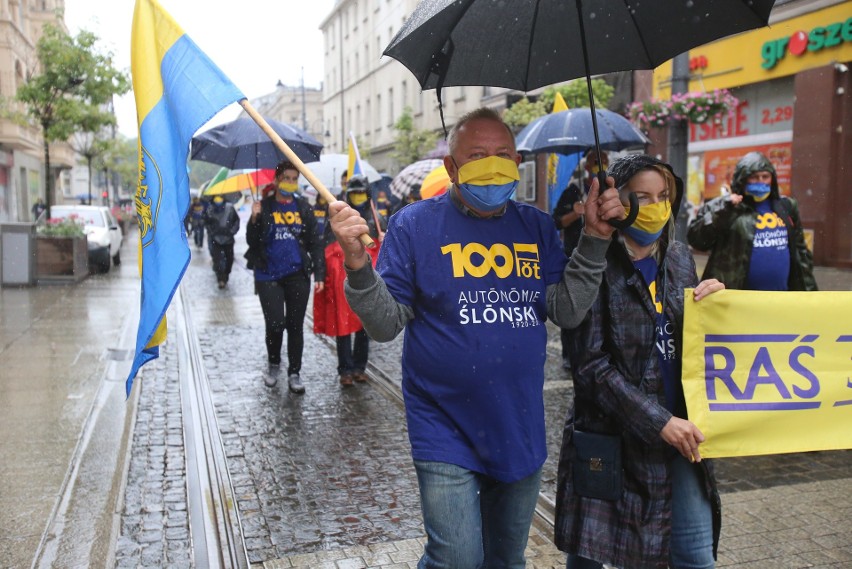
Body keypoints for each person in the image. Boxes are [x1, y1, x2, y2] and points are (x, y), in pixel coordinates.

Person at [329, 107, 626, 569]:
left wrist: (594, 238)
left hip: (518, 422)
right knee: (457, 557)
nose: (493, 163)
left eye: (504, 154)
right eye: (478, 154)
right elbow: (385, 325)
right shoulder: (413, 225)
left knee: (506, 558)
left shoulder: (536, 225)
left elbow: (566, 311)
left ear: (518, 161)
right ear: (451, 166)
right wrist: (357, 266)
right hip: (443, 423)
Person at [554, 154, 725, 569]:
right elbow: (590, 367)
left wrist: (719, 308)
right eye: (642, 196)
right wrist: (657, 422)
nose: (655, 206)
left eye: (663, 195)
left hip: (683, 433)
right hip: (611, 440)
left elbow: (691, 341)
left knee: (695, 556)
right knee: (591, 556)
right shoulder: (592, 261)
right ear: (617, 200)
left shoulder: (680, 257)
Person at [245, 161, 325, 394]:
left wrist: (319, 273)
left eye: (294, 178)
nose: (290, 183)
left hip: (297, 275)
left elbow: (315, 243)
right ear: (277, 180)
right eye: (286, 178)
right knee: (275, 323)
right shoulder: (265, 206)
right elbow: (253, 241)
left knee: (295, 325)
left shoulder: (303, 208)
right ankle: (273, 364)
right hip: (268, 274)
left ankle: (294, 372)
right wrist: (254, 219)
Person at [687, 151, 817, 291]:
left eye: (765, 176)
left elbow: (801, 254)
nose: (761, 181)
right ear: (742, 179)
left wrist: (809, 292)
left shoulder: (786, 206)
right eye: (754, 177)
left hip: (781, 299)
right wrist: (724, 209)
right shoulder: (726, 206)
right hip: (736, 300)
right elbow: (697, 240)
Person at [313, 174, 385, 386]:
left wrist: (384, 238)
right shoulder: (339, 217)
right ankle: (345, 369)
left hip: (368, 276)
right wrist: (321, 275)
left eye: (361, 193)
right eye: (354, 193)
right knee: (341, 323)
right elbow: (325, 246)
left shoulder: (376, 217)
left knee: (364, 323)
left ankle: (359, 367)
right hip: (341, 276)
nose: (358, 197)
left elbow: (383, 247)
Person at [552, 148, 609, 370]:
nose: (600, 166)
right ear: (587, 166)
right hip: (573, 257)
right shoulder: (573, 192)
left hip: (603, 259)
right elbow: (557, 222)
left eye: (604, 162)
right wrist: (577, 212)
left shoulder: (611, 191)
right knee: (574, 307)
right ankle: (570, 354)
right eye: (596, 162)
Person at [204, 195, 240, 289]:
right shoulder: (210, 209)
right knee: (218, 260)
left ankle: (226, 274)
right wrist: (212, 232)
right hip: (216, 239)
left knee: (229, 259)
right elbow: (207, 222)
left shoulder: (230, 208)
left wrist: (231, 232)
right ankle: (221, 279)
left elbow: (236, 221)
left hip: (228, 239)